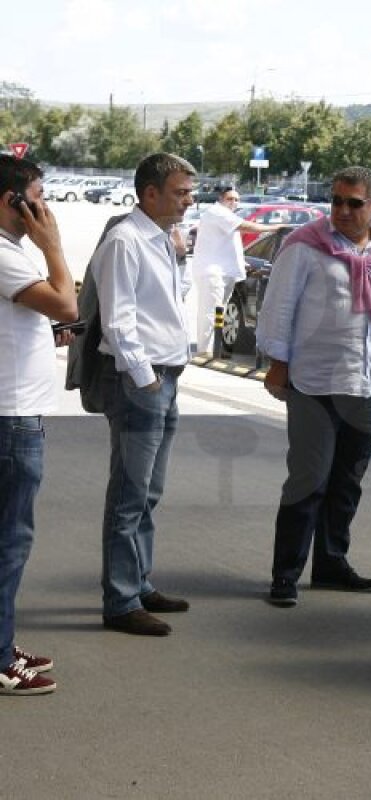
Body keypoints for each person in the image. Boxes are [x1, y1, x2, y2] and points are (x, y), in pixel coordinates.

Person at [257, 166, 371, 608]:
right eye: (336, 201)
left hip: (364, 381)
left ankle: (332, 562)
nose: (343, 210)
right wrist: (278, 363)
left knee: (347, 481)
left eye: (355, 203)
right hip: (314, 381)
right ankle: (286, 573)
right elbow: (279, 308)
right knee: (308, 479)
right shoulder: (304, 247)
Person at [93, 153, 197, 636]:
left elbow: (171, 302)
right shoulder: (125, 240)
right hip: (142, 379)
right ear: (149, 193)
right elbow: (118, 320)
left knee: (150, 490)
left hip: (165, 374)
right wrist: (145, 377)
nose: (189, 199)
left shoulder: (161, 238)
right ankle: (120, 601)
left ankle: (138, 582)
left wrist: (181, 257)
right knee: (130, 492)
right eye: (180, 192)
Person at [0, 156, 78, 694]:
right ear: (13, 201)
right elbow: (67, 303)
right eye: (40, 197)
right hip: (11, 421)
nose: (45, 209)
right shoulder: (5, 254)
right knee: (10, 541)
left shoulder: (9, 253)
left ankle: (1, 640)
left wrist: (39, 336)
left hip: (14, 412)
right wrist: (53, 246)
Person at [191, 186, 283, 356]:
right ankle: (204, 351)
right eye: (230, 199)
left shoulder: (227, 215)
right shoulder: (217, 212)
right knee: (211, 312)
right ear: (220, 199)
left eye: (236, 199)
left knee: (220, 312)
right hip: (213, 272)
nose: (234, 202)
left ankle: (215, 349)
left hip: (224, 272)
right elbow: (245, 226)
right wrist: (275, 228)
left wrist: (244, 265)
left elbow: (229, 246)